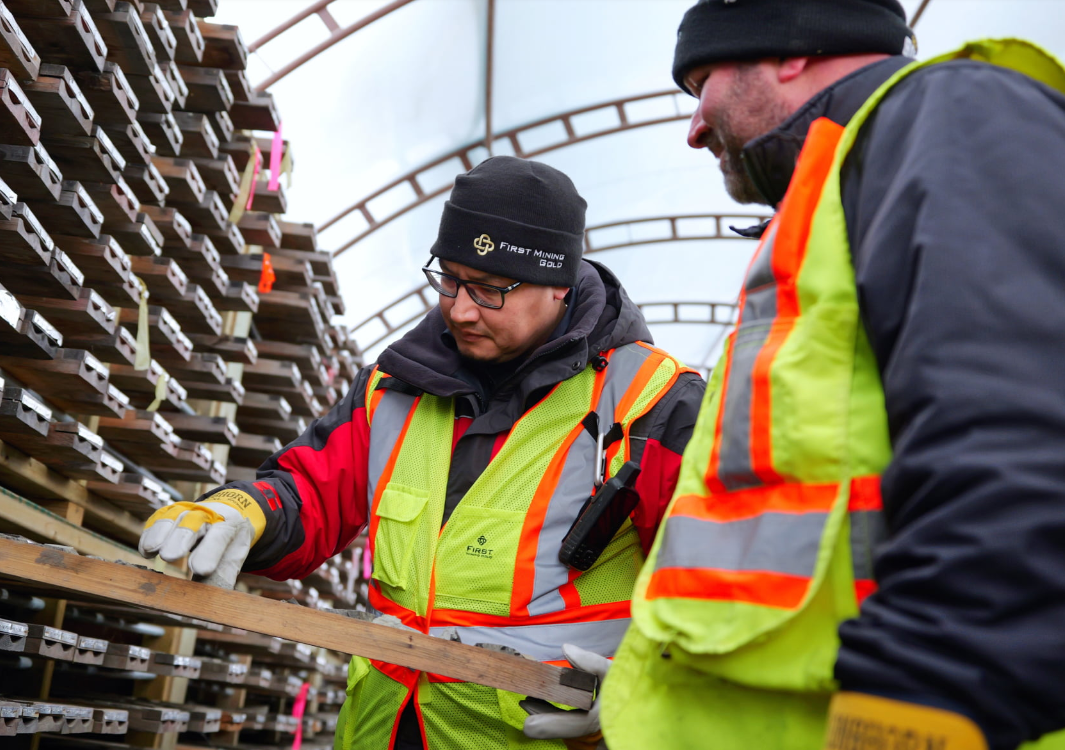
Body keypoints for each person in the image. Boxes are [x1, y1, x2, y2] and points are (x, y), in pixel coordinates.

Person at [585, 1, 1065, 749]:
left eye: (702, 80)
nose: (694, 126)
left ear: (790, 50)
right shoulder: (827, 201)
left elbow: (1021, 449)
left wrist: (920, 710)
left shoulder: (951, 121)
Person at [137, 156, 705, 749]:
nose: (459, 308)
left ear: (559, 284)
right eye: (450, 278)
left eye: (489, 289)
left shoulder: (653, 403)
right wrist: (240, 510)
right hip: (383, 730)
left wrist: (643, 694)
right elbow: (310, 491)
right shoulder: (395, 386)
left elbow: (718, 592)